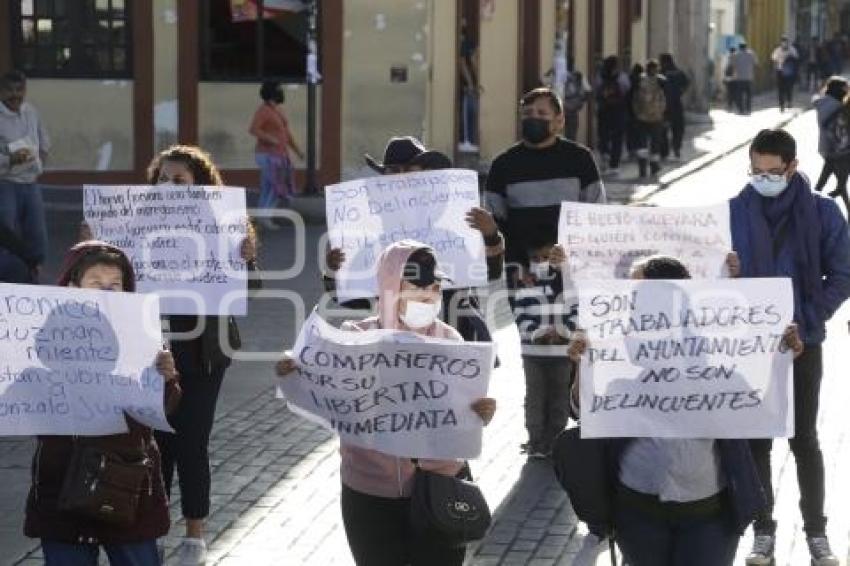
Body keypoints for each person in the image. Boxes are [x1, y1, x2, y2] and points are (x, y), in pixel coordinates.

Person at [567, 254, 801, 566]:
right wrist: (583, 367)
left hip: (709, 518)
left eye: (638, 294)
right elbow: (587, 414)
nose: (630, 303)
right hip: (637, 514)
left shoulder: (721, 364)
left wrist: (778, 361)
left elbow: (766, 416)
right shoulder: (614, 352)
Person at [277, 241, 497, 566]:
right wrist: (294, 374)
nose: (429, 294)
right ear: (391, 286)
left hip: (439, 485)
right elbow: (325, 392)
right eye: (418, 285)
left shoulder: (452, 341)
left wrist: (482, 412)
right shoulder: (354, 338)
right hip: (369, 491)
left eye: (435, 286)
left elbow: (465, 412)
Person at [730, 129, 850, 566]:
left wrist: (811, 319)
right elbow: (707, 278)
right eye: (756, 171)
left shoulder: (822, 212)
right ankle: (764, 531)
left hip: (803, 344)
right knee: (758, 441)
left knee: (805, 440)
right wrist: (727, 270)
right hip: (749, 348)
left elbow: (842, 273)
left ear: (792, 167)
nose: (763, 179)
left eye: (772, 172)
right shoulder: (733, 212)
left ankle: (816, 532)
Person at [23, 241, 181, 566]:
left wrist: (167, 380)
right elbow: (25, 401)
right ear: (72, 286)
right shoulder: (41, 336)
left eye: (115, 285)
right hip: (61, 481)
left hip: (126, 480)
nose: (107, 293)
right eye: (96, 284)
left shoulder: (145, 334)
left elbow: (163, 408)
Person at [146, 146, 261, 566]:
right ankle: (152, 531)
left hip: (203, 353)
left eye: (179, 180)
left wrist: (246, 259)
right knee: (157, 446)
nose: (169, 186)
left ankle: (194, 535)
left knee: (191, 442)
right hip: (150, 353)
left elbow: (247, 290)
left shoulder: (225, 224)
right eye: (163, 178)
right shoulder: (137, 223)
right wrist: (94, 241)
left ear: (200, 184)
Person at [326, 136, 505, 344]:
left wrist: (491, 236)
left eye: (410, 170)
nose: (402, 179)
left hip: (457, 339)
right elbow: (353, 299)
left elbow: (491, 273)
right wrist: (333, 271)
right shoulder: (373, 244)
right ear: (382, 179)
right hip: (398, 349)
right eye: (394, 171)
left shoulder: (454, 230)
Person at [486, 87, 605, 277]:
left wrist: (576, 257)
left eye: (542, 113)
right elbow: (495, 223)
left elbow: (596, 213)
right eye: (527, 114)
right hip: (521, 273)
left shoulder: (580, 159)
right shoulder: (503, 164)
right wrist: (515, 265)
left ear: (559, 121)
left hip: (571, 270)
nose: (533, 118)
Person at [512, 235, 572, 458]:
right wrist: (537, 333)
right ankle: (536, 442)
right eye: (536, 258)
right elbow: (520, 315)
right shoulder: (525, 285)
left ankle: (555, 442)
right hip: (532, 354)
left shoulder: (568, 284)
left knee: (559, 397)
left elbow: (576, 312)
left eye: (546, 257)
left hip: (562, 353)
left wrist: (564, 332)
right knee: (535, 397)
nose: (541, 261)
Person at [0, 70, 49, 283]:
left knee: (37, 236)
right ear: (1, 91)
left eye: (19, 90)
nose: (15, 95)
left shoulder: (31, 111)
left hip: (31, 182)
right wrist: (11, 160)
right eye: (9, 90)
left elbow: (44, 140)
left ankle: (34, 278)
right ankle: (7, 282)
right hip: (5, 183)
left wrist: (40, 162)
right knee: (6, 237)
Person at [249, 79, 304, 229]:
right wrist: (270, 139)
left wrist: (297, 151)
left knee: (270, 187)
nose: (282, 92)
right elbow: (254, 129)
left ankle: (262, 217)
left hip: (280, 155)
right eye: (279, 89)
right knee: (274, 186)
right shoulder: (263, 110)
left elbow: (287, 134)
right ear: (272, 93)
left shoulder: (278, 111)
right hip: (267, 155)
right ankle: (264, 218)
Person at [812, 76, 850, 214]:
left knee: (838, 182)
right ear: (839, 90)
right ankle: (810, 205)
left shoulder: (822, 104)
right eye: (846, 88)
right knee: (837, 182)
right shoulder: (839, 107)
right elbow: (841, 132)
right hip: (838, 150)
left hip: (825, 148)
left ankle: (811, 203)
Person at [593, 56, 630, 175]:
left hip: (603, 111)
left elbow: (596, 91)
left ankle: (605, 155)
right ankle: (614, 165)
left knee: (603, 135)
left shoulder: (600, 76)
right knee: (617, 138)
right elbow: (627, 90)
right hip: (618, 111)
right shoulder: (622, 77)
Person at [631, 59, 668, 178]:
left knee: (642, 144)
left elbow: (634, 99)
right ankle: (653, 167)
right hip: (656, 117)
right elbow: (664, 98)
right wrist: (663, 112)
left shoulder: (639, 80)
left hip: (642, 117)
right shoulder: (661, 81)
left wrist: (636, 113)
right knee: (654, 144)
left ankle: (643, 169)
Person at [659, 53, 690, 162]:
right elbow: (686, 83)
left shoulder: (661, 73)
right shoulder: (678, 72)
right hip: (676, 104)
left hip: (664, 105)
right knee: (678, 128)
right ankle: (676, 148)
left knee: (663, 129)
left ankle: (664, 152)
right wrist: (680, 92)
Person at [458, 17, 481, 153]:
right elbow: (464, 64)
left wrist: (473, 82)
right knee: (468, 112)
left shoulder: (466, 42)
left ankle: (468, 140)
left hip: (468, 85)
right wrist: (472, 82)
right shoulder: (464, 43)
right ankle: (467, 140)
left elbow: (469, 63)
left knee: (469, 112)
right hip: (467, 84)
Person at [561, 56, 592, 142]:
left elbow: (543, 82)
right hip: (572, 108)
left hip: (560, 107)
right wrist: (579, 103)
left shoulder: (558, 74)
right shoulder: (579, 75)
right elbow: (588, 91)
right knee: (571, 133)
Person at [772, 36, 799, 112]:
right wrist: (774, 71)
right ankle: (782, 105)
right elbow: (774, 61)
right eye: (782, 42)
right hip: (780, 71)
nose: (784, 43)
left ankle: (789, 101)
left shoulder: (792, 50)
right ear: (781, 42)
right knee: (780, 89)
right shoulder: (777, 50)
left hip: (790, 72)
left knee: (789, 88)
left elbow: (796, 60)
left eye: (785, 42)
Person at [734, 43, 759, 114]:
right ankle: (748, 110)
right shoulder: (751, 54)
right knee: (749, 95)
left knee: (739, 95)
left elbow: (733, 65)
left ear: (739, 47)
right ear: (746, 47)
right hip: (749, 78)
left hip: (739, 78)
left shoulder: (736, 55)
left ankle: (741, 110)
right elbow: (756, 63)